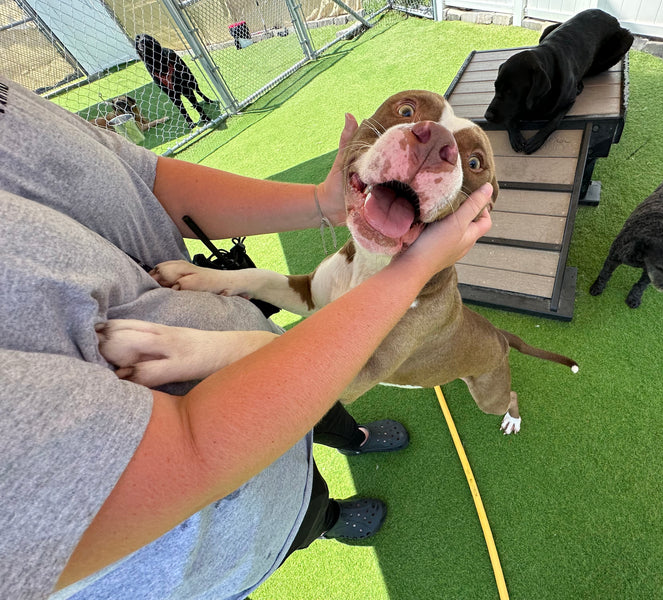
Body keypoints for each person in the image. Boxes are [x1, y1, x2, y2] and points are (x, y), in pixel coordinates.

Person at [0, 76, 493, 600]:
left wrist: (324, 203)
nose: (430, 136)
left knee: (370, 410)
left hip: (301, 383)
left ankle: (361, 444)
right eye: (411, 111)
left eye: (472, 160)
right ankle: (326, 519)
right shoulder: (366, 262)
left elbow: (143, 176)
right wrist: (409, 270)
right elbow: (187, 452)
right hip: (222, 527)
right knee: (298, 521)